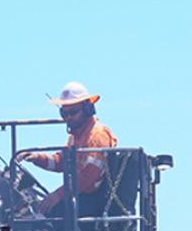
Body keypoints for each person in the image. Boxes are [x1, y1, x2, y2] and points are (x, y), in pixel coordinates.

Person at [18, 81, 118, 216]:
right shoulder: (77, 136)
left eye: (73, 112)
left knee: (48, 215)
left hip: (94, 201)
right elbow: (62, 162)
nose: (68, 118)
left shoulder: (97, 136)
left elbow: (88, 177)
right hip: (79, 195)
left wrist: (58, 195)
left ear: (88, 109)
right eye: (64, 114)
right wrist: (36, 157)